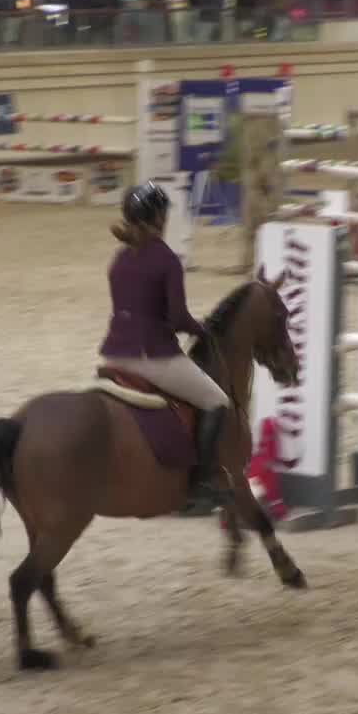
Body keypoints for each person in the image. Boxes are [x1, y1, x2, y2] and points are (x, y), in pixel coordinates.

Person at [99, 182, 233, 507]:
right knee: (216, 400)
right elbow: (177, 318)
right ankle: (200, 483)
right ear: (159, 217)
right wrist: (203, 331)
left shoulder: (119, 258)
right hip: (152, 358)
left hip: (114, 355)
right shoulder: (166, 259)